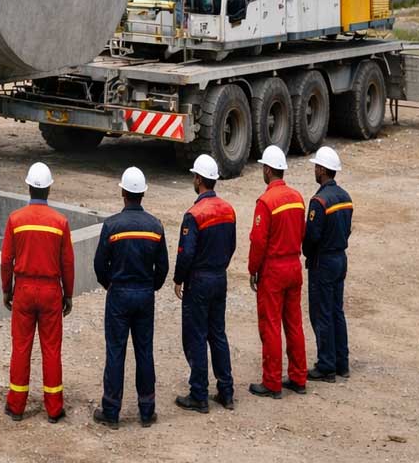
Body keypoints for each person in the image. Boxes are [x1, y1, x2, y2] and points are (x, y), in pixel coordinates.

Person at [92, 166, 168, 430]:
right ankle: (147, 410)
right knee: (144, 350)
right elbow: (164, 267)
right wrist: (150, 287)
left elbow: (100, 265)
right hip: (144, 294)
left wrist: (110, 285)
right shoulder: (155, 226)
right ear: (143, 194)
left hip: (119, 295)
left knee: (116, 351)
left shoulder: (112, 225)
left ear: (123, 192)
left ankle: (111, 411)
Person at [0, 162, 75, 424]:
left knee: (21, 347)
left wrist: (6, 290)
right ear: (49, 189)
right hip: (51, 291)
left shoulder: (16, 220)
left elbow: (7, 259)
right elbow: (67, 263)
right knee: (51, 349)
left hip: (23, 289)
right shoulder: (60, 222)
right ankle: (54, 408)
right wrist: (68, 294)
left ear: (28, 186)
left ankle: (16, 406)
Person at [174, 153, 237, 413]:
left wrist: (179, 279)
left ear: (199, 179)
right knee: (217, 334)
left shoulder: (194, 214)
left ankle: (199, 394)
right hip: (219, 277)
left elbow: (186, 253)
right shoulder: (229, 210)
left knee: (197, 336)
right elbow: (232, 246)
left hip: (199, 281)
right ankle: (226, 391)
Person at [248, 145, 308, 399]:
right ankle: (298, 377)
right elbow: (302, 233)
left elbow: (258, 241)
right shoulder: (297, 198)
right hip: (293, 265)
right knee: (294, 323)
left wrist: (253, 270)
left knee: (271, 325)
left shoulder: (266, 202)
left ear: (268, 170)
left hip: (273, 270)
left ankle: (272, 382)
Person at [303, 146, 353, 382]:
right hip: (340, 259)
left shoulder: (319, 201)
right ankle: (342, 363)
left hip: (323, 262)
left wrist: (308, 255)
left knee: (321, 313)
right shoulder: (346, 198)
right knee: (336, 311)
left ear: (322, 170)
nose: (315, 170)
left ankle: (326, 366)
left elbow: (311, 237)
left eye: (316, 167)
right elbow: (348, 230)